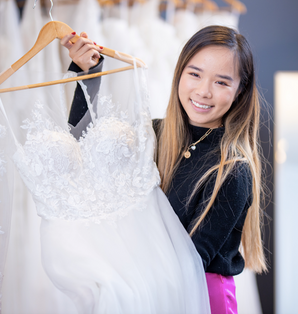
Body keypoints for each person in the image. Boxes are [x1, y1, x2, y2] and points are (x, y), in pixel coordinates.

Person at [61, 25, 268, 314]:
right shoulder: (156, 134)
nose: (203, 91)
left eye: (221, 82)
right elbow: (84, 149)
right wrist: (88, 74)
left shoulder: (232, 170)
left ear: (240, 90)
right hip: (149, 287)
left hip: (200, 296)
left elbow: (188, 263)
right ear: (179, 73)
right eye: (195, 74)